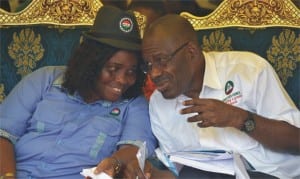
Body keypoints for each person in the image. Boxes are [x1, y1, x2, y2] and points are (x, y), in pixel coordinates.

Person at [0, 5, 157, 179]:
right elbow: (3, 133)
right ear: (91, 62)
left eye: (131, 72)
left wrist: (116, 161)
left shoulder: (133, 103)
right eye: (112, 69)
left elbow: (135, 150)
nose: (122, 80)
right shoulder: (45, 79)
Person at [141, 14, 300, 178]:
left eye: (161, 60)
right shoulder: (158, 104)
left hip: (273, 174)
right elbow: (175, 169)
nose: (154, 73)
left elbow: (297, 140)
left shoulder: (248, 70)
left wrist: (239, 118)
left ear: (191, 52)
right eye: (148, 65)